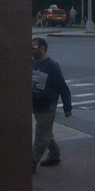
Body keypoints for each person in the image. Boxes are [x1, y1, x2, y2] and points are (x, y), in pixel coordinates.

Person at [31, 38, 72, 171]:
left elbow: (62, 87)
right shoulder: (32, 63)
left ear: (43, 48)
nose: (32, 51)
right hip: (35, 103)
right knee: (45, 131)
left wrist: (67, 107)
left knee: (42, 133)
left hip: (48, 104)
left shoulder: (52, 66)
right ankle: (54, 155)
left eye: (34, 47)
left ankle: (32, 162)